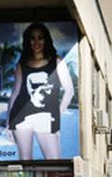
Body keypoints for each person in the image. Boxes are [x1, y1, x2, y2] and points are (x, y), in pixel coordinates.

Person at [6, 22, 74, 160]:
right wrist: (8, 122)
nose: (36, 42)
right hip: (20, 117)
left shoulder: (56, 62)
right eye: (32, 38)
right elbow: (15, 93)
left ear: (46, 39)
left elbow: (69, 91)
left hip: (46, 117)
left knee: (54, 162)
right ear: (27, 41)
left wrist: (57, 114)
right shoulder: (22, 64)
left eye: (40, 37)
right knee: (25, 162)